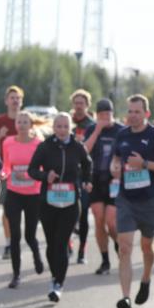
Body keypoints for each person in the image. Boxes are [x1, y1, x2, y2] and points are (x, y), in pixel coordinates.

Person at [111, 95, 154, 308]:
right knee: (125, 248)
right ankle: (125, 298)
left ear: (146, 114)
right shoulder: (122, 135)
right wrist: (115, 166)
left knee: (147, 247)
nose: (132, 115)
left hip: (149, 200)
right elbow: (117, 158)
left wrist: (144, 164)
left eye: (137, 112)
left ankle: (146, 278)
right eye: (130, 111)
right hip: (126, 198)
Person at [28, 113, 91, 302]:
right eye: (58, 126)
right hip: (49, 201)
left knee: (62, 242)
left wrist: (87, 181)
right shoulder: (45, 146)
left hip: (71, 201)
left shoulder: (77, 147)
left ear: (70, 128)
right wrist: (45, 176)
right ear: (54, 127)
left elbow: (88, 165)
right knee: (51, 243)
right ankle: (55, 275)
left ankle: (58, 284)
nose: (62, 130)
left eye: (65, 126)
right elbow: (32, 169)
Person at [0, 111, 44, 288]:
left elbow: (41, 167)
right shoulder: (8, 142)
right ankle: (16, 275)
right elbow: (6, 166)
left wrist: (28, 174)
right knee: (15, 235)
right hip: (14, 192)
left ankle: (36, 256)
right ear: (16, 124)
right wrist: (4, 173)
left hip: (33, 193)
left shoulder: (38, 144)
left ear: (31, 125)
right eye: (19, 121)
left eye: (26, 122)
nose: (22, 124)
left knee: (29, 235)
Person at [83, 98, 125, 275]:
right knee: (99, 219)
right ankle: (105, 260)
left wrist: (120, 171)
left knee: (111, 222)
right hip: (96, 179)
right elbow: (84, 150)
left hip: (114, 181)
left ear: (112, 114)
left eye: (108, 114)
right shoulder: (92, 129)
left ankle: (118, 243)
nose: (105, 118)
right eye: (101, 115)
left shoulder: (121, 130)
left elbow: (127, 153)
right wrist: (97, 129)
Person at [0, 86, 25, 260]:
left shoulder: (26, 120)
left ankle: (20, 240)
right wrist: (0, 136)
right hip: (6, 171)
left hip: (26, 173)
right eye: (12, 98)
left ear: (21, 101)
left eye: (18, 98)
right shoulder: (0, 121)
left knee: (26, 210)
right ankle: (9, 242)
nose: (15, 101)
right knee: (8, 209)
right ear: (6, 101)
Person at [70, 90, 96, 264]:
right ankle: (68, 243)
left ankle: (82, 250)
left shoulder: (92, 125)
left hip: (85, 173)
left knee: (84, 212)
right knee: (68, 211)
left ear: (87, 105)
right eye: (76, 102)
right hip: (68, 174)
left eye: (82, 103)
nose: (79, 106)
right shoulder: (66, 122)